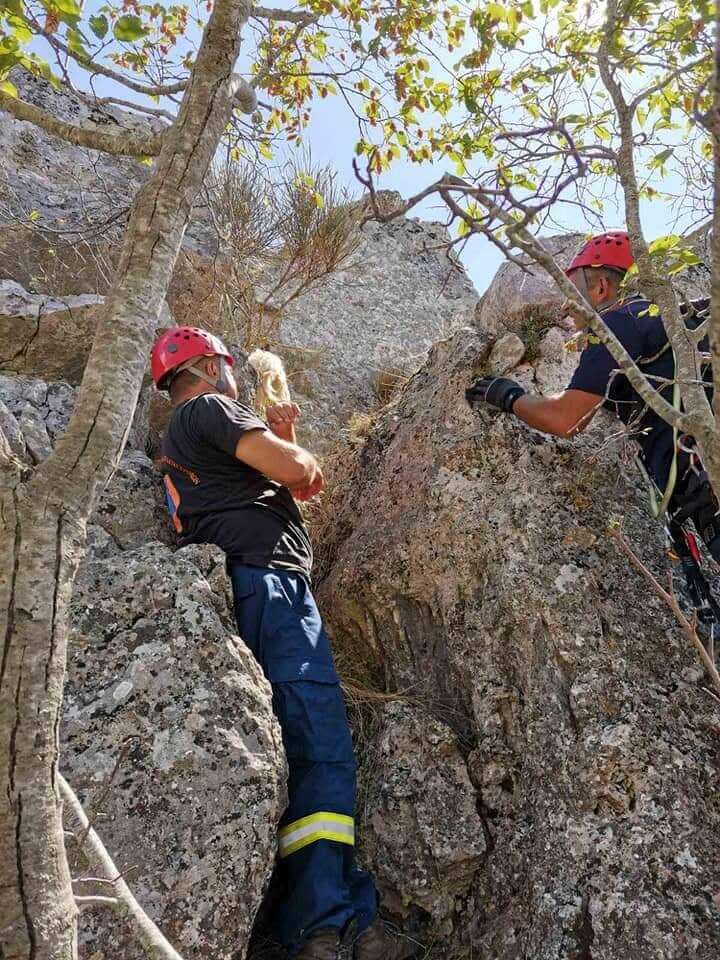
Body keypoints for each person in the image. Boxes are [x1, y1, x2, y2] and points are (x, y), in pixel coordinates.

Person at [151, 327, 416, 960]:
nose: (235, 373)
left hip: (250, 587)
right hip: (270, 585)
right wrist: (293, 448)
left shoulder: (184, 434)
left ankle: (338, 914)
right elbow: (302, 473)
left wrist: (281, 429)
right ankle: (324, 923)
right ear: (211, 367)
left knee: (301, 742)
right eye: (228, 365)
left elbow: (295, 489)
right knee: (316, 738)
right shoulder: (210, 407)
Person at [466, 231, 720, 628]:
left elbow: (566, 418)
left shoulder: (618, 323)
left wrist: (509, 395)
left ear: (602, 286)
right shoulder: (672, 319)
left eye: (574, 291)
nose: (569, 309)